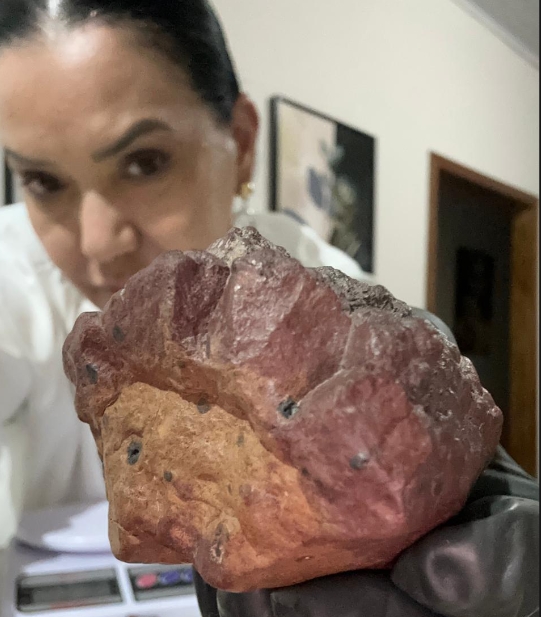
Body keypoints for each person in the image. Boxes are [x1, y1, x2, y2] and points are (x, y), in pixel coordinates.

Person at [0, 1, 537, 616]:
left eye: (144, 162)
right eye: (43, 181)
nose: (98, 242)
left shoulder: (319, 295)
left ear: (243, 142)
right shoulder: (12, 275)